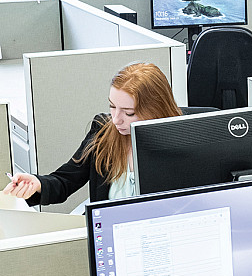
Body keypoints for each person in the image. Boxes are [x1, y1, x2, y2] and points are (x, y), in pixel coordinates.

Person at [3, 62, 181, 207]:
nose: (116, 120)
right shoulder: (103, 133)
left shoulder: (183, 144)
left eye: (128, 113)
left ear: (156, 111)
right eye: (112, 107)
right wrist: (37, 184)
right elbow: (66, 180)